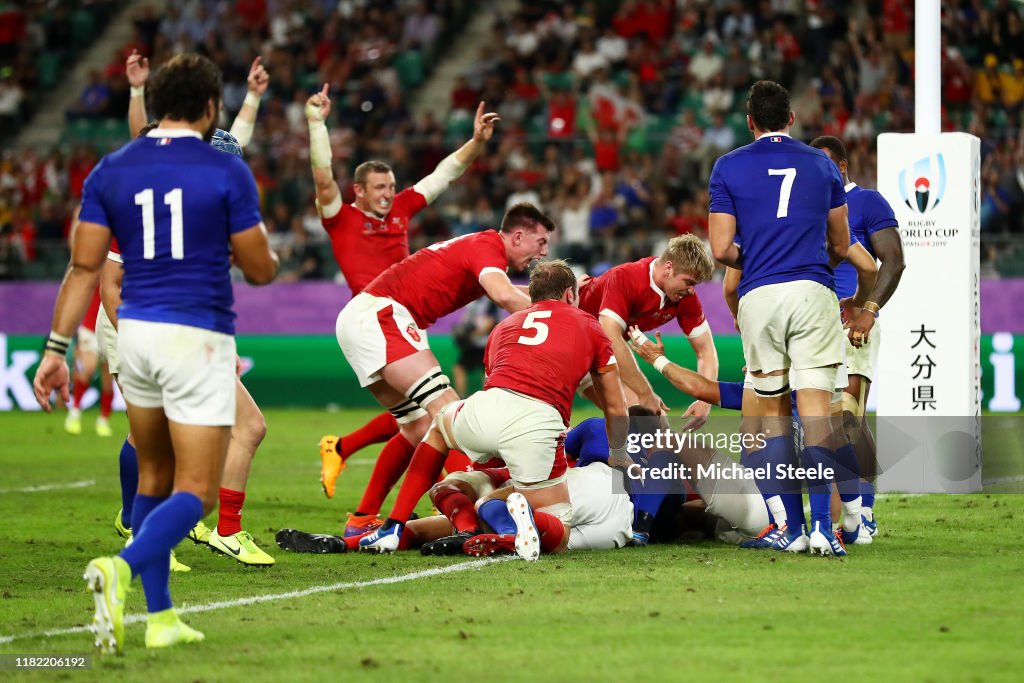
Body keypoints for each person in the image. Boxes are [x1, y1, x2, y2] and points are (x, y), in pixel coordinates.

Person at [33, 53, 278, 653]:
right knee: (195, 491)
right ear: (210, 108)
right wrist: (253, 248)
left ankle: (161, 618)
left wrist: (55, 349)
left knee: (152, 476)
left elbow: (84, 268)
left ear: (159, 103)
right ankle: (120, 568)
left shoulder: (112, 168)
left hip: (134, 336)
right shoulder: (225, 167)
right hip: (193, 333)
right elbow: (259, 268)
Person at [304, 83, 502, 521]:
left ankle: (365, 514)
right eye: (378, 187)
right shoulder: (341, 217)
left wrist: (475, 143)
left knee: (415, 426)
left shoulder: (400, 211)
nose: (387, 193)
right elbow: (322, 177)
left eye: (391, 186)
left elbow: (443, 175)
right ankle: (472, 499)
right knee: (442, 415)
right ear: (357, 190)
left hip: (403, 322)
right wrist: (316, 124)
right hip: (377, 323)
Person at [114, 50, 276, 566]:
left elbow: (230, 142)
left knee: (176, 438)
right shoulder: (160, 194)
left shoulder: (183, 185)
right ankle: (143, 538)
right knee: (170, 440)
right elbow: (107, 277)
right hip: (148, 321)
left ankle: (150, 535)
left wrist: (252, 98)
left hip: (172, 324)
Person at [358, 260, 628, 558]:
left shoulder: (504, 326)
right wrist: (618, 453)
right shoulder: (589, 324)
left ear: (533, 294)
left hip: (486, 406)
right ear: (569, 294)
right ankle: (526, 516)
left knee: (437, 430)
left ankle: (394, 525)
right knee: (560, 533)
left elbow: (494, 381)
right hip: (537, 420)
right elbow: (615, 405)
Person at [707, 80, 850, 555]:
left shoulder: (727, 166)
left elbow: (720, 249)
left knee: (771, 415)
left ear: (750, 121)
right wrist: (808, 261)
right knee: (817, 413)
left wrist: (761, 259)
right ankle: (825, 530)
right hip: (813, 292)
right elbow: (839, 242)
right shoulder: (822, 164)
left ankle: (789, 528)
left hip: (760, 296)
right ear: (791, 118)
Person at [809, 135, 905, 538]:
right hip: (812, 321)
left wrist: (869, 310)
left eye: (827, 165)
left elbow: (894, 260)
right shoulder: (808, 209)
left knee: (849, 416)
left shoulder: (868, 202)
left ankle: (864, 511)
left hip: (854, 322)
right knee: (824, 420)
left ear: (843, 166)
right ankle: (835, 509)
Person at [577, 234, 718, 428]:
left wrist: (705, 399)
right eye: (689, 282)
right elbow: (610, 337)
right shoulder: (626, 277)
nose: (692, 291)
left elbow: (706, 351)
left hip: (596, 355)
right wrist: (645, 393)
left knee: (653, 426)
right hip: (564, 347)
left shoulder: (685, 298)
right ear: (668, 268)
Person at [65, 285, 115, 437]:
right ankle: (74, 413)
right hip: (90, 329)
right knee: (87, 370)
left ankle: (103, 421)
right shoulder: (97, 274)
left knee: (108, 380)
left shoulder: (122, 274)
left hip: (110, 331)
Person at [451, 296, 500, 396]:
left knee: (486, 373)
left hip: (485, 344)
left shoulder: (490, 301)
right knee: (459, 369)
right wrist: (464, 331)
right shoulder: (473, 300)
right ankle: (462, 398)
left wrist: (470, 335)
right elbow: (467, 319)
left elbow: (490, 322)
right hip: (474, 344)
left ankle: (486, 400)